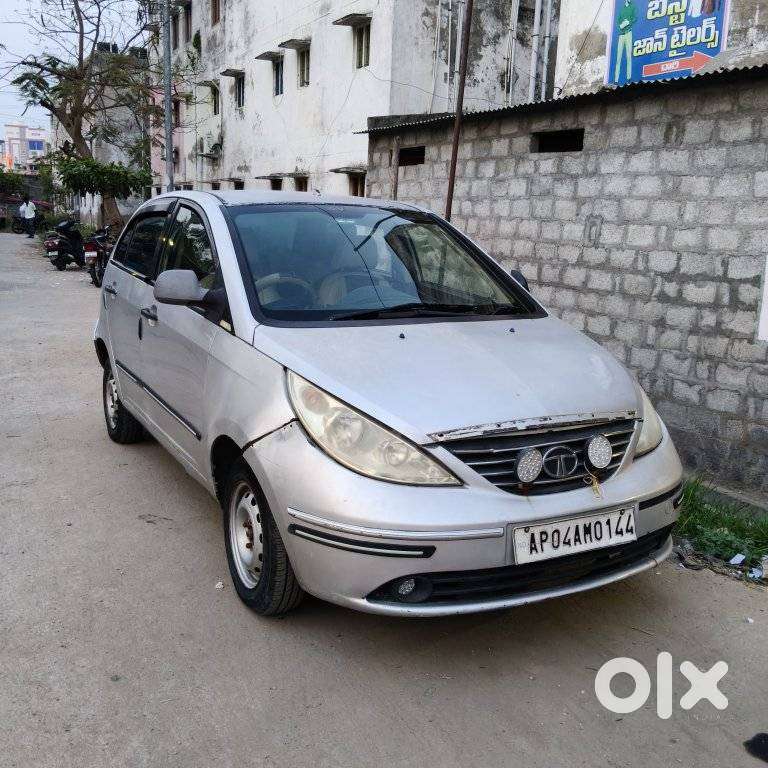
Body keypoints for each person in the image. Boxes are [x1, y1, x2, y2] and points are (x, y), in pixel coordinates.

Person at [614, 0, 637, 84]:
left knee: (628, 56)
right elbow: (617, 22)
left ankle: (629, 78)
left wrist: (628, 22)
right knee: (618, 57)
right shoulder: (622, 9)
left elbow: (635, 18)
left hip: (628, 33)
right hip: (621, 35)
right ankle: (616, 80)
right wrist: (621, 25)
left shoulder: (633, 7)